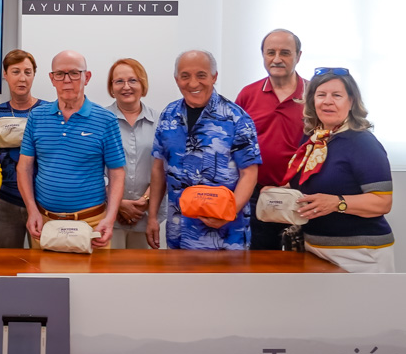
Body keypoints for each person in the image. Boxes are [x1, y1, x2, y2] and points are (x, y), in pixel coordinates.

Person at [147, 51, 261, 251]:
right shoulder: (168, 115)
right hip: (178, 233)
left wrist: (229, 212)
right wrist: (153, 217)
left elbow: (249, 173)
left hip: (225, 236)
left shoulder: (237, 118)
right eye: (185, 76)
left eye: (201, 75)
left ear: (214, 77)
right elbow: (158, 168)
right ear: (176, 79)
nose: (193, 83)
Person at [286, 68, 394, 273]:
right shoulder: (313, 140)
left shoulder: (363, 142)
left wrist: (337, 203)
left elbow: (382, 202)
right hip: (314, 249)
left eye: (336, 95)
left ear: (351, 102)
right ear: (312, 101)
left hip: (360, 255)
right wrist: (279, 192)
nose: (327, 101)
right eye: (321, 95)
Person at [17, 50, 125, 248]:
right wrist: (31, 210)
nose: (67, 80)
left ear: (87, 77)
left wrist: (110, 218)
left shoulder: (106, 120)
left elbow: (117, 173)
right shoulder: (37, 117)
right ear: (52, 78)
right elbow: (24, 167)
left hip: (92, 223)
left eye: (74, 73)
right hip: (44, 223)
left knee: (94, 271)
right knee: (44, 270)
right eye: (60, 74)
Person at [235, 29, 307, 251]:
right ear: (263, 55)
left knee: (301, 262)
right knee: (260, 261)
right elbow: (234, 145)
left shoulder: (314, 95)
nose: (277, 59)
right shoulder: (248, 95)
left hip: (302, 195)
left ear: (298, 56)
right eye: (270, 52)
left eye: (285, 52)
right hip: (257, 194)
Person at [0, 50, 49, 249]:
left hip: (43, 201)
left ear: (34, 75)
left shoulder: (48, 112)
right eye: (16, 72)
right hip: (4, 201)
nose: (22, 78)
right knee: (7, 261)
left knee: (45, 259)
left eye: (27, 72)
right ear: (5, 74)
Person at [106, 58, 163, 249]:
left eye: (132, 80)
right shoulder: (100, 121)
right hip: (108, 216)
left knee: (142, 268)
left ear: (142, 84)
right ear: (111, 87)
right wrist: (118, 203)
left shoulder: (161, 121)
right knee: (107, 267)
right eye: (119, 81)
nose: (126, 87)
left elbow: (165, 166)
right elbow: (90, 169)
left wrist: (144, 201)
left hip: (147, 215)